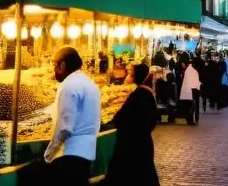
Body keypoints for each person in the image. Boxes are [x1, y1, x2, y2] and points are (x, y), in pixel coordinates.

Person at [44, 47, 102, 185]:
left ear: (62, 65)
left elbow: (65, 127)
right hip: (86, 152)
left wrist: (50, 152)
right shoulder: (89, 83)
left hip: (69, 154)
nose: (53, 70)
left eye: (54, 65)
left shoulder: (68, 85)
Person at [104, 64, 160, 186]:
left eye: (130, 74)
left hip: (132, 144)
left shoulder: (139, 94)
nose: (127, 77)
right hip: (142, 142)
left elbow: (121, 118)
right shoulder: (147, 92)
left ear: (136, 76)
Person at [178, 55, 201, 125]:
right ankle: (192, 119)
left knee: (191, 106)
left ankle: (191, 119)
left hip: (192, 91)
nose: (182, 65)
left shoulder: (190, 70)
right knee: (192, 105)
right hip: (192, 90)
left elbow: (191, 82)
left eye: (182, 63)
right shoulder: (191, 69)